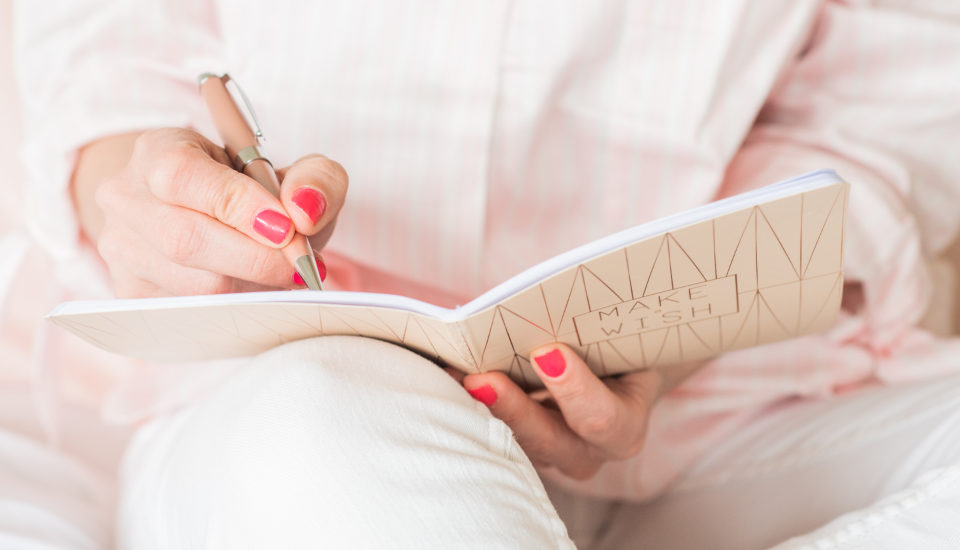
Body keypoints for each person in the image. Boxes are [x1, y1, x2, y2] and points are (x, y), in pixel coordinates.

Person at [9, 0, 960, 548]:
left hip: (721, 423)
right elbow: (104, 61)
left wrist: (673, 334)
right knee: (325, 422)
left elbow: (895, 103)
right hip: (292, 407)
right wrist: (140, 190)